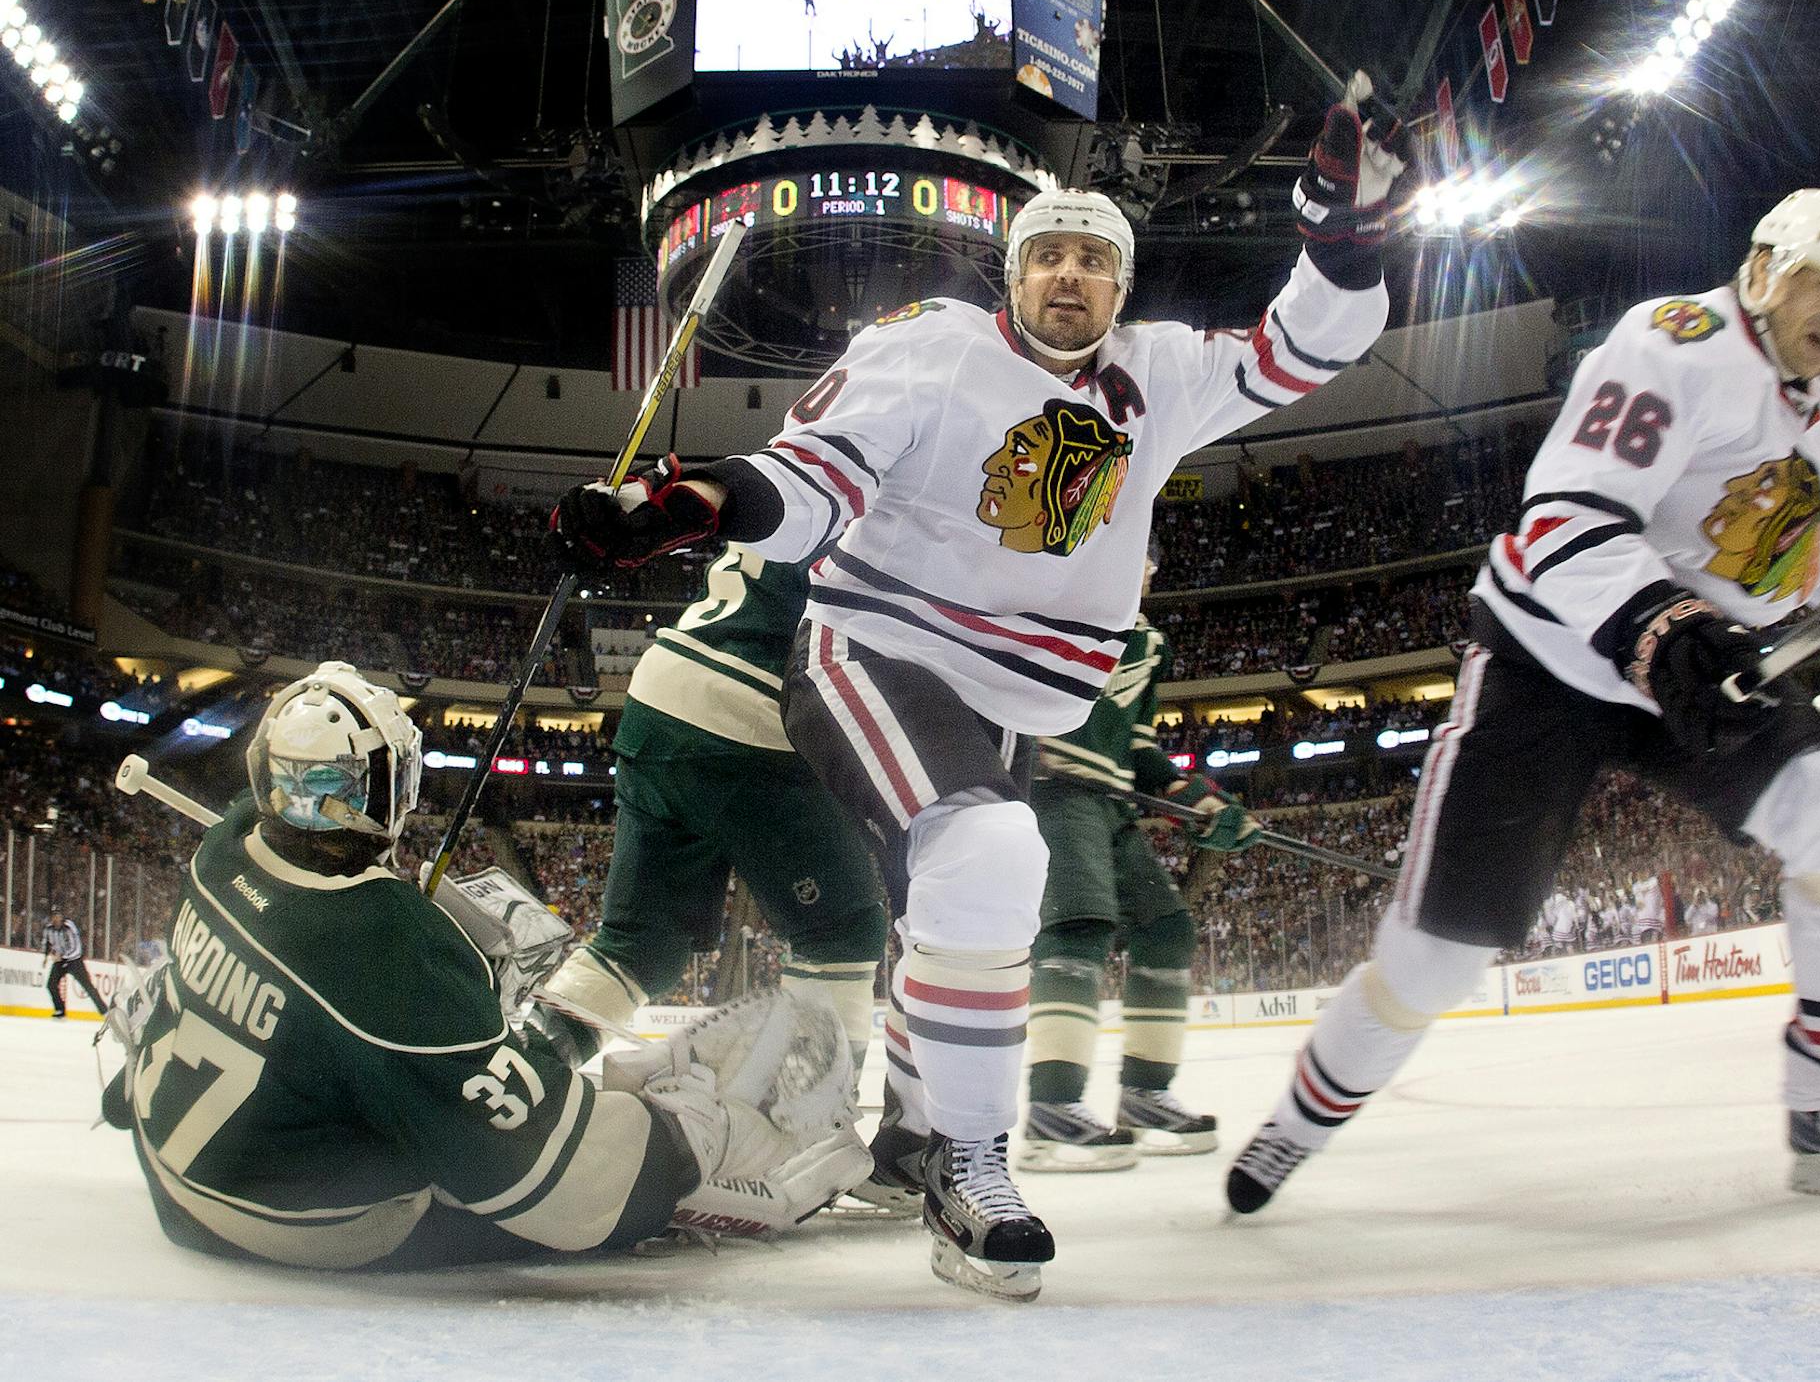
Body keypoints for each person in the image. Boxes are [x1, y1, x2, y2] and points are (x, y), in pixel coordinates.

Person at [553, 74, 1404, 1298]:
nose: (1069, 277)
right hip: (877, 648)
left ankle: (909, 1134)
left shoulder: (1160, 373)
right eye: (1047, 255)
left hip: (1011, 697)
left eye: (1092, 262)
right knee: (993, 848)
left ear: (1121, 285)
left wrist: (1342, 232)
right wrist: (688, 503)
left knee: (948, 908)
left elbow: (1304, 346)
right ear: (1011, 275)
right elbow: (811, 479)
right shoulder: (928, 348)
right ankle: (971, 1158)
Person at [1227, 189, 1820, 1214]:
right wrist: (1662, 626)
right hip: (1554, 658)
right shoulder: (1676, 341)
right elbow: (1564, 518)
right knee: (1434, 958)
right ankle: (1296, 1123)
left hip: (1699, 675)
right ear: (1760, 268)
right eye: (1819, 281)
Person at [105, 661, 867, 1270]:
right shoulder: (384, 946)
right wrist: (683, 1141)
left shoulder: (225, 847)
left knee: (474, 1086)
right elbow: (551, 1183)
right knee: (603, 1148)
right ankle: (700, 1136)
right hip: (295, 1223)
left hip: (180, 1169)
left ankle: (594, 1089)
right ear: (388, 786)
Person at [528, 545, 905, 1207]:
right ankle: (812, 1132)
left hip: (662, 692)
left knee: (639, 947)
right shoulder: (885, 473)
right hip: (755, 704)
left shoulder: (798, 461)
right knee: (841, 933)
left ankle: (521, 1073)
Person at [1017, 599, 1258, 1173]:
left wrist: (1198, 801)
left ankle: (1145, 1093)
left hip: (1108, 798)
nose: (1144, 565)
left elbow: (1140, 749)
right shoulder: (1061, 594)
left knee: (1167, 931)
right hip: (1052, 786)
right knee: (1078, 927)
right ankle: (1052, 1105)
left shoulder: (1149, 642)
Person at [42, 909, 109, 1019]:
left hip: (74, 961)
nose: (56, 919)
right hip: (60, 961)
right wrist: (47, 956)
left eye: (58, 917)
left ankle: (104, 1011)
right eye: (54, 917)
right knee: (51, 984)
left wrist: (64, 958)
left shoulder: (69, 926)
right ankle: (60, 1010)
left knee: (87, 986)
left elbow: (76, 947)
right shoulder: (49, 928)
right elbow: (46, 943)